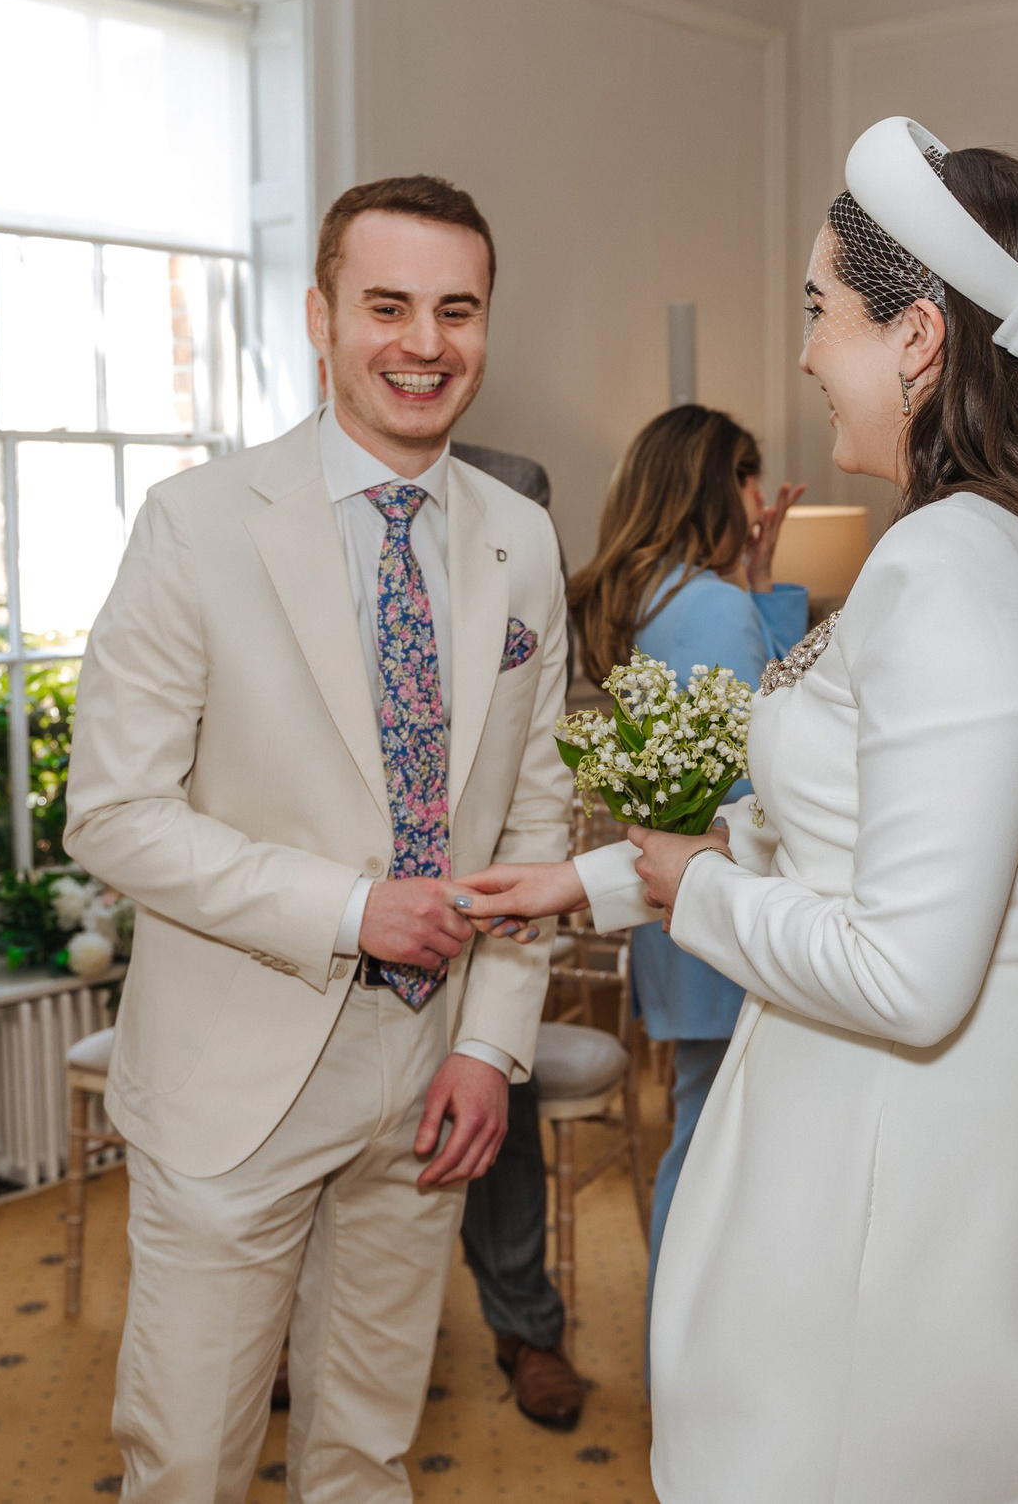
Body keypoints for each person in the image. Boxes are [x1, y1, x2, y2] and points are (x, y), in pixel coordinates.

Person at [460, 118, 1018, 1503]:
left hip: (906, 1132)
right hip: (1013, 1077)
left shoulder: (947, 569)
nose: (804, 353)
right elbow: (857, 837)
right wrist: (599, 885)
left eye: (820, 311)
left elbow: (908, 978)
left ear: (918, 338)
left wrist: (684, 890)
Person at [64, 174, 569, 1503]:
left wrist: (487, 1044)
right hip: (235, 1074)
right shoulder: (196, 523)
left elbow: (534, 814)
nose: (425, 342)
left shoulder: (520, 541)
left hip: (426, 1073)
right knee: (187, 1462)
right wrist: (350, 909)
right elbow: (112, 813)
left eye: (456, 310)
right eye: (388, 305)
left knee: (367, 1450)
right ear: (319, 315)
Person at [565, 405, 805, 1293]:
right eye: (749, 478)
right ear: (715, 487)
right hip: (725, 893)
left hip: (673, 903)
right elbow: (779, 754)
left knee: (701, 1129)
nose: (758, 498)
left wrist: (760, 576)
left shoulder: (655, 598)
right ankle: (685, 1354)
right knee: (713, 1149)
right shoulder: (711, 608)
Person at [440, 437, 587, 1431]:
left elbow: (540, 780)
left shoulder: (520, 512)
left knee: (506, 1132)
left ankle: (526, 1324)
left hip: (495, 907)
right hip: (344, 917)